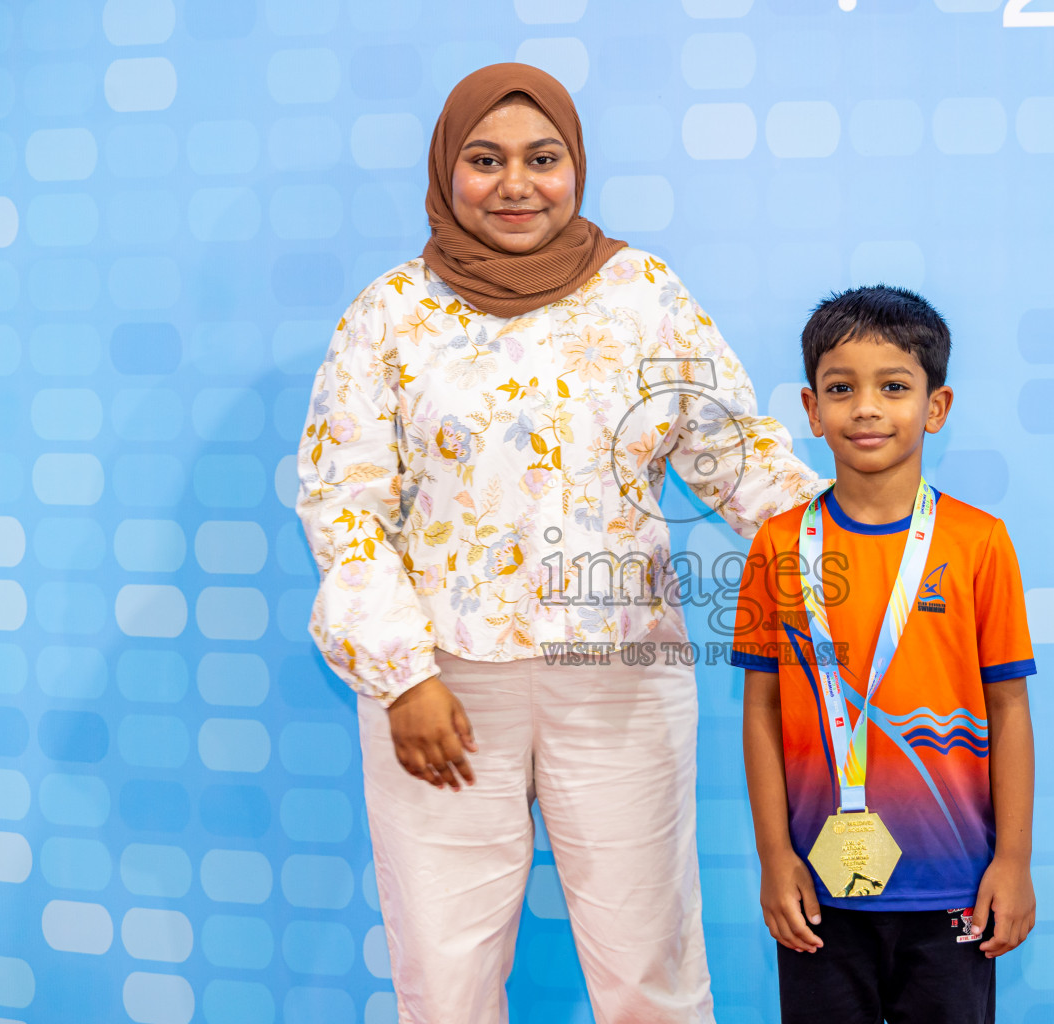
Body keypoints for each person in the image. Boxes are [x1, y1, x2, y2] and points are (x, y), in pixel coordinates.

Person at [295, 64, 823, 1023]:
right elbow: (344, 504)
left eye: (543, 160)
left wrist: (863, 545)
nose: (516, 185)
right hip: (444, 687)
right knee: (445, 979)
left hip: (621, 676)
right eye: (484, 160)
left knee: (648, 971)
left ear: (575, 165)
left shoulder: (642, 293)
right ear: (445, 170)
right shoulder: (392, 313)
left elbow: (732, 453)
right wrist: (401, 675)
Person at [732, 286, 1038, 1023]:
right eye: (842, 389)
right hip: (818, 891)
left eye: (894, 387)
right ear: (811, 409)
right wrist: (776, 858)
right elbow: (762, 711)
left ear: (936, 407)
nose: (866, 407)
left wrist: (1014, 862)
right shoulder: (778, 546)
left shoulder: (979, 542)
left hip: (955, 886)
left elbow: (1009, 707)